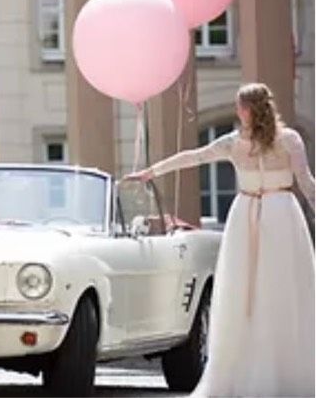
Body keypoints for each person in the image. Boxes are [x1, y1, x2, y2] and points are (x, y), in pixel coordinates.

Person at [125, 82, 315, 397]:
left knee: (279, 289)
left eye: (240, 106)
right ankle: (251, 366)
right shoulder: (243, 142)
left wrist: (151, 172)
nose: (238, 111)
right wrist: (152, 172)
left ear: (249, 109)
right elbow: (194, 156)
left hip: (276, 217)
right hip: (268, 213)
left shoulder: (285, 140)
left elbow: (307, 184)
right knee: (248, 291)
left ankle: (281, 370)